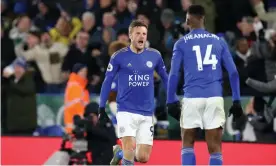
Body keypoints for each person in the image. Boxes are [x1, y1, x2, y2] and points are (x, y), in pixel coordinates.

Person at [166, 5, 244, 165]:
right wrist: (236, 100)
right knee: (215, 147)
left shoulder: (181, 43)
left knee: (187, 142)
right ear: (203, 18)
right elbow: (234, 72)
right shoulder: (219, 41)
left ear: (188, 21)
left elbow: (174, 74)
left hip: (192, 98)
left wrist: (170, 100)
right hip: (214, 97)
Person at [98, 20, 171, 165]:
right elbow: (107, 81)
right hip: (126, 110)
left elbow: (165, 78)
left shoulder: (154, 55)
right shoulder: (119, 56)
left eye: (144, 34)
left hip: (146, 112)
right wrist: (101, 106)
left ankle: (119, 153)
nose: (141, 36)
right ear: (130, 35)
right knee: (129, 147)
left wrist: (173, 97)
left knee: (143, 157)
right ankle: (124, 153)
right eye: (138, 33)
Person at [64, 63, 90, 133]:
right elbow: (77, 106)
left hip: (78, 126)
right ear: (76, 72)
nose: (84, 73)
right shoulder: (75, 86)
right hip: (76, 127)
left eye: (85, 71)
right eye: (81, 71)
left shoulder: (81, 86)